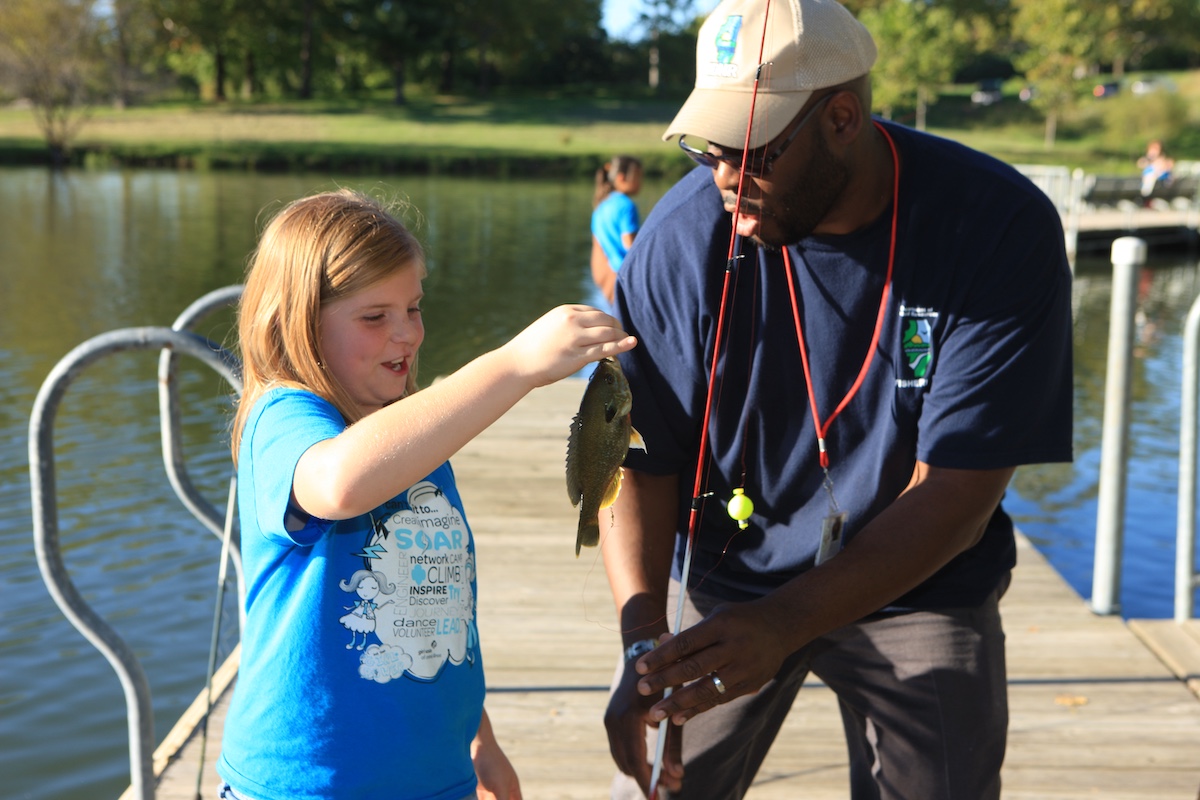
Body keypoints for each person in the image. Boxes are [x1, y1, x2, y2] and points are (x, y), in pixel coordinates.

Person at [598, 1, 1074, 799]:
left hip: (919, 579)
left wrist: (786, 623)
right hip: (730, 569)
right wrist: (641, 646)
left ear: (842, 118)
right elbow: (638, 460)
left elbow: (956, 497)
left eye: (749, 152)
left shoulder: (996, 227)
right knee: (658, 792)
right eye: (707, 147)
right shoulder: (683, 239)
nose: (721, 176)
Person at [216, 188, 636, 800]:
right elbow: (339, 484)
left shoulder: (410, 428)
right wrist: (515, 364)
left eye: (413, 308)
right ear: (296, 323)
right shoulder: (284, 418)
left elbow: (431, 606)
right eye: (374, 316)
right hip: (304, 784)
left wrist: (480, 742)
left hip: (437, 778)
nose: (406, 334)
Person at [591, 155, 644, 304]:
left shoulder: (601, 205)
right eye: (638, 177)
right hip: (624, 279)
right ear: (621, 178)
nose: (641, 183)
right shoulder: (626, 205)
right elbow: (630, 245)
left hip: (606, 279)